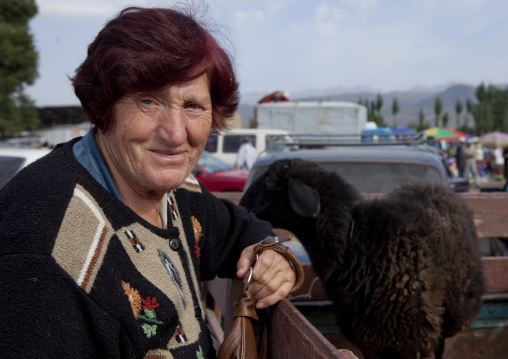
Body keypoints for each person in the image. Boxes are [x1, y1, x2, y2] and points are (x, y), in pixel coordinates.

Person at [0, 7, 296, 358]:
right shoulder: (44, 247)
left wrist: (272, 256)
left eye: (192, 106)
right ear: (104, 105)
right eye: (148, 101)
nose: (174, 133)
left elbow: (241, 229)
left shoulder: (177, 193)